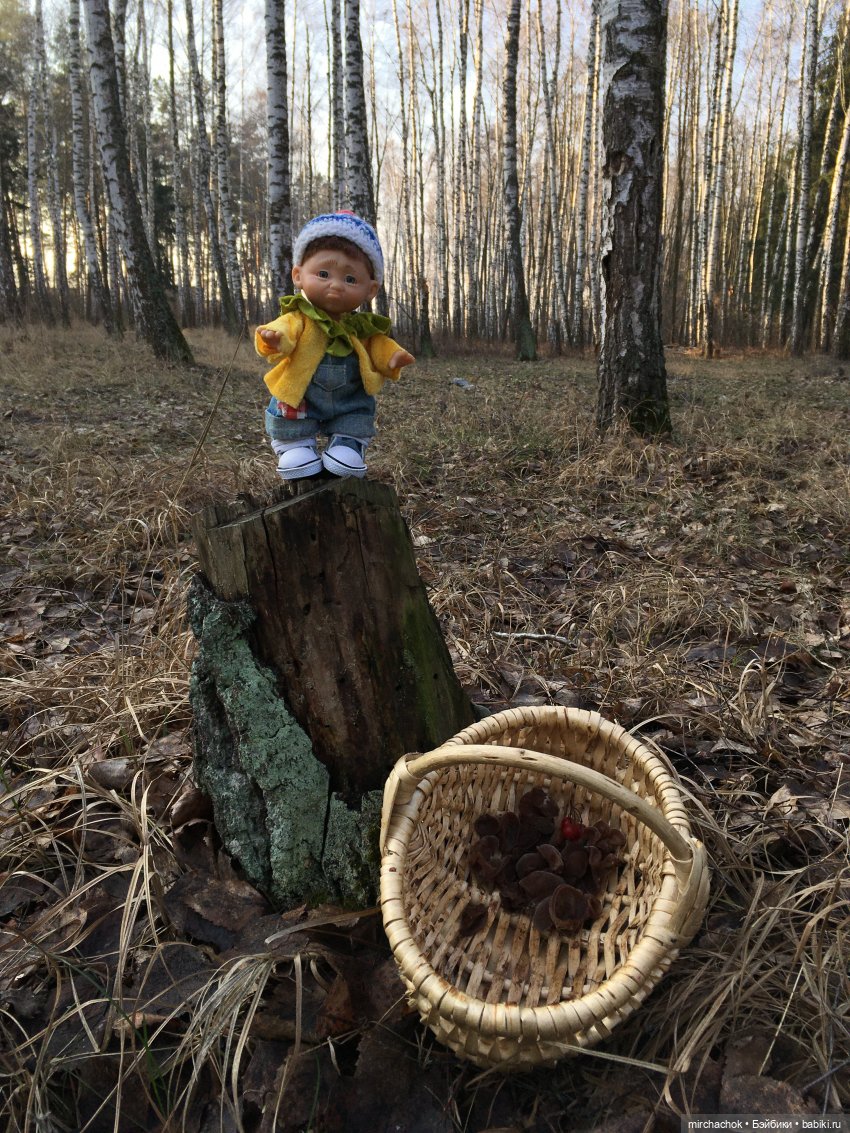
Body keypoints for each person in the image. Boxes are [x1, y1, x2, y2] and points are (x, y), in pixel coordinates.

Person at [255, 211, 414, 480]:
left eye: (350, 279)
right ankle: (295, 446)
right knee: (290, 411)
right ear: (298, 275)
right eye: (324, 273)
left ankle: (347, 443)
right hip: (302, 394)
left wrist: (392, 358)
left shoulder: (362, 327)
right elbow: (284, 331)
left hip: (348, 399)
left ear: (371, 289)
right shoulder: (298, 318)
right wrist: (274, 339)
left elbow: (378, 345)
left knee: (356, 413)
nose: (336, 285)